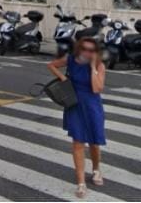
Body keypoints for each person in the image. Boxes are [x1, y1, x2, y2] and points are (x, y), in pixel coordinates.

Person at [48, 35, 106, 198]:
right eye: (84, 49)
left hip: (92, 105)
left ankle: (96, 169)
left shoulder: (99, 66)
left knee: (94, 143)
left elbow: (97, 88)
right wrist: (63, 77)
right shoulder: (71, 60)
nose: (87, 53)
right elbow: (51, 65)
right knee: (78, 143)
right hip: (74, 104)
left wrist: (93, 66)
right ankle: (81, 183)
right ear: (79, 48)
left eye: (91, 50)